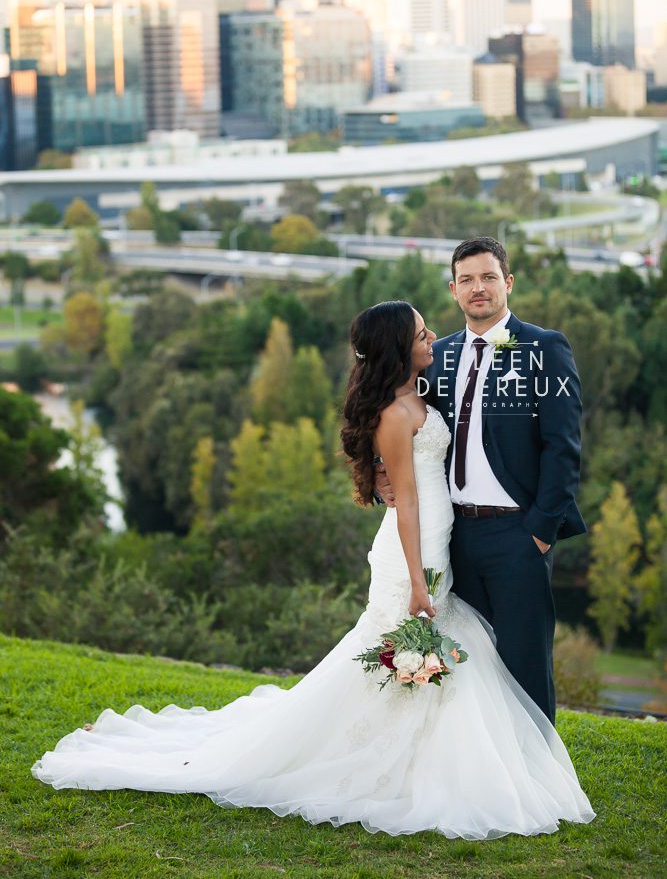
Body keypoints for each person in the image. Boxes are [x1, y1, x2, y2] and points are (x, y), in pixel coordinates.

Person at [32, 300, 594, 840]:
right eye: (420, 334)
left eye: (427, 332)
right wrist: (419, 577)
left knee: (435, 650)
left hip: (448, 539)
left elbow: (461, 443)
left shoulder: (422, 387)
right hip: (415, 549)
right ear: (400, 348)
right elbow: (410, 500)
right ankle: (384, 760)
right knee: (403, 645)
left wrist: (382, 473)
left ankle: (456, 755)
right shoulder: (400, 410)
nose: (431, 339)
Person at [375, 237, 586, 725]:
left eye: (488, 277)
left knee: (526, 664)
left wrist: (540, 531)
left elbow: (564, 447)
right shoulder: (437, 356)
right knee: (468, 670)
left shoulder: (544, 348)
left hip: (519, 536)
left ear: (507, 283)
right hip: (454, 537)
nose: (478, 288)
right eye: (466, 279)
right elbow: (390, 419)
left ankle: (539, 785)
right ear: (453, 290)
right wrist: (378, 477)